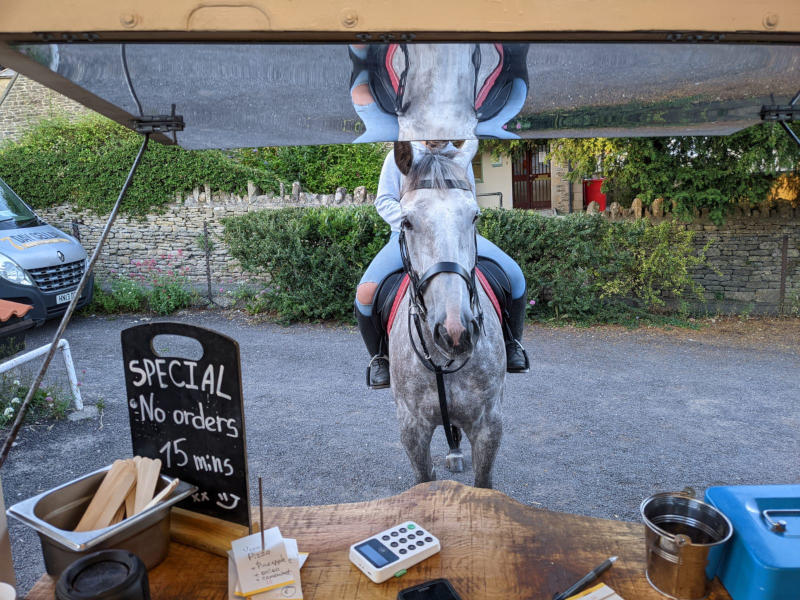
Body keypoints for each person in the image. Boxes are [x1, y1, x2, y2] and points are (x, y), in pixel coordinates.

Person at [355, 141, 529, 389]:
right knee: (365, 293)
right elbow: (384, 200)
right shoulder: (402, 155)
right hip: (410, 234)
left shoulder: (458, 158)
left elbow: (470, 201)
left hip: (458, 236)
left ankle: (513, 342)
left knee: (515, 276)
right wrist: (414, 219)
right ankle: (379, 358)